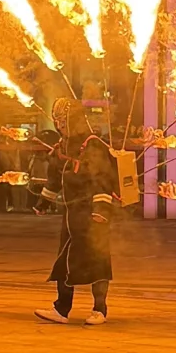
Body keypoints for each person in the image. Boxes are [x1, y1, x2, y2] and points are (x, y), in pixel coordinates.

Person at [34, 98, 118, 326]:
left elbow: (104, 179)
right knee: (65, 261)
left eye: (64, 121)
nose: (60, 126)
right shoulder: (61, 148)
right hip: (71, 216)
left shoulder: (94, 145)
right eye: (57, 122)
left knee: (97, 260)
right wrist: (44, 202)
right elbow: (54, 178)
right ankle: (62, 308)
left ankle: (100, 309)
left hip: (93, 214)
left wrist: (101, 210)